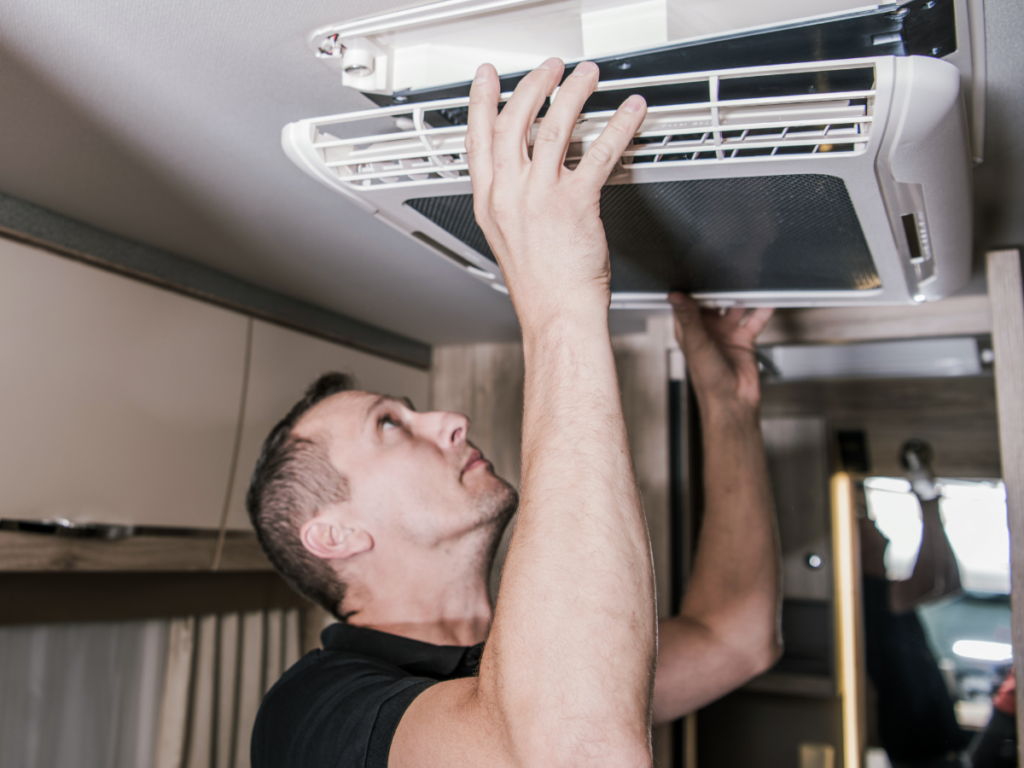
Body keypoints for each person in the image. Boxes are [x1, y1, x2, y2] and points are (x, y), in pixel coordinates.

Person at [249, 57, 781, 768]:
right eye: (390, 425)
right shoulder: (313, 713)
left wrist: (728, 407)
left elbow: (735, 636)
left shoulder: (519, 656)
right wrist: (558, 307)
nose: (449, 420)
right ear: (336, 534)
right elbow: (575, 750)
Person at [860, 440, 972, 768]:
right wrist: (927, 502)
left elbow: (949, 582)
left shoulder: (885, 590)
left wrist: (930, 505)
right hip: (917, 746)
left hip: (933, 742)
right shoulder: (869, 594)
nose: (872, 522)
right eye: (863, 521)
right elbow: (930, 579)